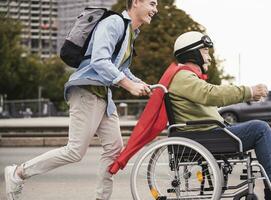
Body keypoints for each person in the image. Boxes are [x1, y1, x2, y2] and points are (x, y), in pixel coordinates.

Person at [4, 0, 158, 199]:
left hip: (103, 95)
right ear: (136, 2)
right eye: (152, 3)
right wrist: (129, 85)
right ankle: (18, 173)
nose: (156, 9)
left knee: (114, 149)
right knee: (75, 151)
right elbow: (100, 60)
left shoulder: (130, 32)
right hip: (86, 90)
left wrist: (144, 85)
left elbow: (121, 67)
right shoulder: (114, 23)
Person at [167, 31, 271, 196]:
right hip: (205, 137)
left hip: (207, 134)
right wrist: (248, 91)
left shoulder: (186, 77)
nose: (209, 57)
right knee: (260, 128)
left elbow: (211, 97)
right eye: (205, 51)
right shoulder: (183, 77)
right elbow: (212, 94)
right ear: (192, 53)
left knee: (258, 127)